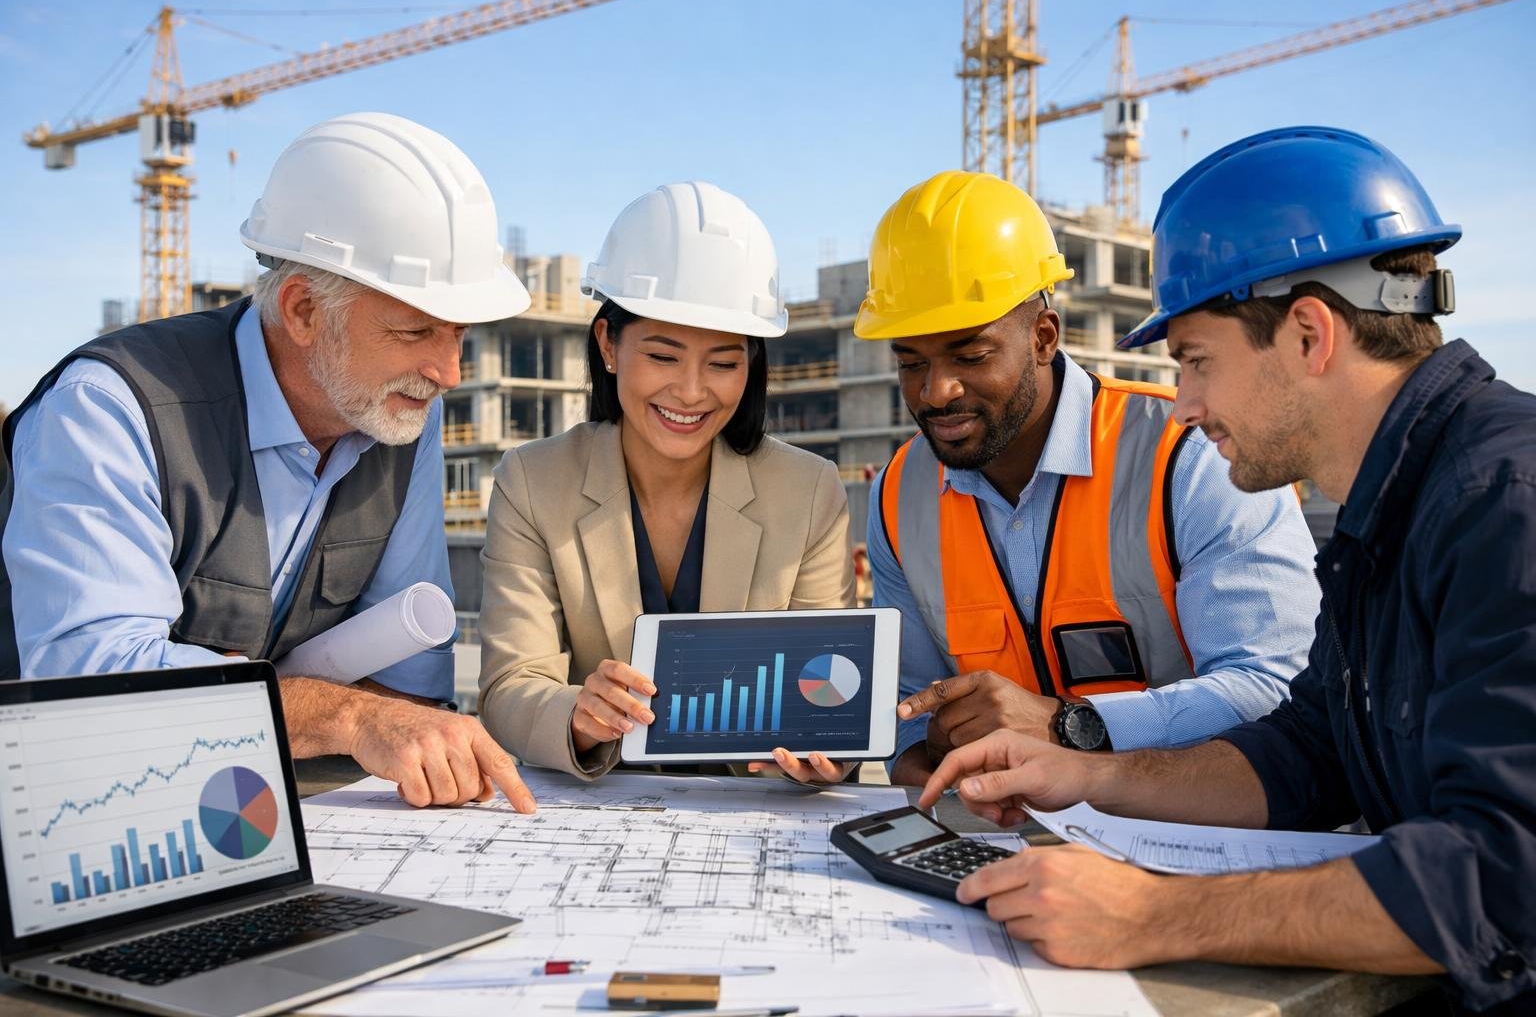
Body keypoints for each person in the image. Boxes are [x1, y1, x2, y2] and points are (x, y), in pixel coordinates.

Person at [918, 126, 1535, 1015]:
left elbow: (1503, 880)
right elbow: (1309, 755)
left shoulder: (1506, 502)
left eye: (1197, 362)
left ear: (1310, 334)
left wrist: (1156, 915)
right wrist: (1088, 776)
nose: (1185, 403)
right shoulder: (1394, 510)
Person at [0, 113, 538, 814]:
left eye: (459, 334)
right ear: (304, 310)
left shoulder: (402, 413)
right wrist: (342, 716)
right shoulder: (110, 409)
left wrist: (258, 703)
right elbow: (94, 686)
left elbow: (408, 687)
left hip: (255, 812)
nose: (448, 371)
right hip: (68, 824)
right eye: (415, 332)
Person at [854, 171, 1319, 788]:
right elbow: (909, 708)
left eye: (971, 356)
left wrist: (1071, 727)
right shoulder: (896, 495)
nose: (937, 391)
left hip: (1189, 829)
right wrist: (918, 757)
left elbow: (1275, 688)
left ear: (1043, 337)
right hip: (1000, 836)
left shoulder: (1189, 453)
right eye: (912, 363)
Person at [477, 181, 855, 783]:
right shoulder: (532, 482)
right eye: (663, 356)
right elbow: (508, 686)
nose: (691, 391)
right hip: (598, 808)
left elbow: (829, 692)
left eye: (724, 363)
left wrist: (825, 753)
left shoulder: (811, 493)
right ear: (608, 344)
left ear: (751, 365)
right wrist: (575, 714)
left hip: (755, 812)